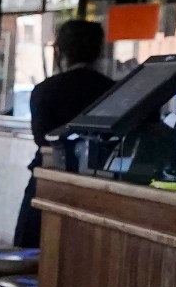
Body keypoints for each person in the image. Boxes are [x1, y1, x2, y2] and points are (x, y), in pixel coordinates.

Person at [12, 18, 114, 248]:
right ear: (99, 51)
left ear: (60, 51)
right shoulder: (113, 91)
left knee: (32, 255)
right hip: (100, 186)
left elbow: (43, 140)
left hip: (49, 181)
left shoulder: (45, 90)